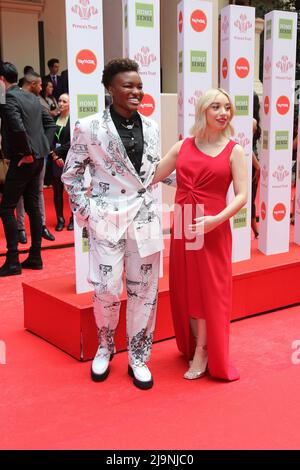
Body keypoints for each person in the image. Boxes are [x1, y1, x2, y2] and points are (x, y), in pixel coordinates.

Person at [62, 58, 164, 390]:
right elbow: (72, 174)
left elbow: (153, 171)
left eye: (139, 86)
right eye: (128, 86)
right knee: (106, 289)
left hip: (145, 219)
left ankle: (138, 356)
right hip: (106, 219)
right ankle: (105, 346)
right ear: (110, 89)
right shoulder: (89, 126)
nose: (136, 92)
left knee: (144, 291)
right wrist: (86, 212)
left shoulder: (151, 127)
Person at [152, 88, 247, 381]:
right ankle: (195, 344)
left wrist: (216, 220)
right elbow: (153, 174)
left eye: (227, 107)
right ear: (203, 111)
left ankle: (204, 350)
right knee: (187, 286)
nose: (223, 113)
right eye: (216, 107)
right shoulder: (183, 146)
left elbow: (242, 196)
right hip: (184, 223)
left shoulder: (235, 150)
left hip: (213, 226)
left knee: (209, 288)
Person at [0, 61, 56, 277]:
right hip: (39, 159)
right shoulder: (32, 98)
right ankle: (35, 256)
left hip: (25, 159)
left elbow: (16, 126)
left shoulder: (10, 98)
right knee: (33, 207)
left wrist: (27, 152)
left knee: (6, 208)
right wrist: (42, 149)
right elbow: (50, 124)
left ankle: (13, 260)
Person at [16, 71, 55, 242]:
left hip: (39, 155)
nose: (43, 87)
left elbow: (50, 124)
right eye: (40, 84)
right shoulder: (13, 97)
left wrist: (43, 146)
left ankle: (41, 226)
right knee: (18, 193)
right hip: (19, 154)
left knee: (38, 191)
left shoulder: (39, 102)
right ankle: (20, 229)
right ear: (32, 84)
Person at [50, 93, 72, 231]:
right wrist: (55, 156)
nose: (61, 103)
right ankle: (60, 219)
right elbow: (49, 139)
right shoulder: (53, 119)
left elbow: (73, 141)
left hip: (69, 159)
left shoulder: (74, 120)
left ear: (70, 104)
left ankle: (72, 219)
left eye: (64, 101)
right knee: (57, 192)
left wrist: (60, 154)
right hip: (55, 160)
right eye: (59, 100)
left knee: (71, 192)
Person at [251, 92, 261, 239]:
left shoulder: (252, 121)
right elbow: (247, 147)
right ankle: (256, 231)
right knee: (249, 197)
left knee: (250, 197)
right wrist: (258, 166)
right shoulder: (252, 121)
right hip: (252, 163)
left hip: (252, 162)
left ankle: (256, 230)